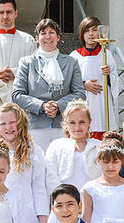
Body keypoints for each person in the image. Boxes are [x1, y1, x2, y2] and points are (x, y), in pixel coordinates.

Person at [11, 18, 86, 151]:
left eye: (51, 32)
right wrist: (42, 106)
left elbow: (80, 94)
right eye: (43, 33)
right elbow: (17, 94)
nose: (47, 37)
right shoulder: (27, 63)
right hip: (35, 125)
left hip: (63, 125)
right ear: (37, 38)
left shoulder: (71, 62)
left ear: (58, 37)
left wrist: (58, 106)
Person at [44, 99, 101, 223]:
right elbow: (50, 177)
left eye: (81, 122)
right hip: (64, 207)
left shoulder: (97, 147)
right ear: (65, 123)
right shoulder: (56, 146)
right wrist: (67, 203)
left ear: (89, 123)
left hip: (92, 207)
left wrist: (87, 204)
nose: (77, 127)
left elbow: (102, 177)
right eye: (72, 123)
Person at [71, 16, 121, 139]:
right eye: (87, 31)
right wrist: (84, 85)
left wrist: (108, 76)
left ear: (99, 32)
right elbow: (69, 82)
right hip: (85, 103)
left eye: (94, 30)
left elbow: (117, 84)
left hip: (103, 105)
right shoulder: (75, 56)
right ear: (82, 34)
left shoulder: (106, 55)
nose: (91, 34)